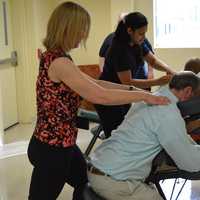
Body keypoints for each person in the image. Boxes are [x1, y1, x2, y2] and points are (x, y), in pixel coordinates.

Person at [27, 2, 170, 200]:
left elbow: (96, 83)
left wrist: (132, 89)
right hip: (51, 148)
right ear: (68, 29)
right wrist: (145, 96)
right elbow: (99, 95)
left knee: (83, 183)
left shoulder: (58, 57)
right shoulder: (59, 62)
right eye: (81, 30)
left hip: (62, 143)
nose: (83, 36)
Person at [88, 71, 200, 200]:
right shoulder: (168, 113)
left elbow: (178, 138)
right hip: (115, 182)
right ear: (187, 91)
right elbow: (189, 163)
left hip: (98, 167)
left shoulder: (149, 98)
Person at [95, 12, 175, 138]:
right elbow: (128, 82)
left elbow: (153, 61)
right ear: (129, 30)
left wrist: (170, 70)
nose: (143, 37)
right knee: (117, 136)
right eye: (141, 33)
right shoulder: (119, 49)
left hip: (123, 92)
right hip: (109, 95)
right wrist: (158, 81)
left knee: (125, 129)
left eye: (145, 33)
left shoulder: (138, 42)